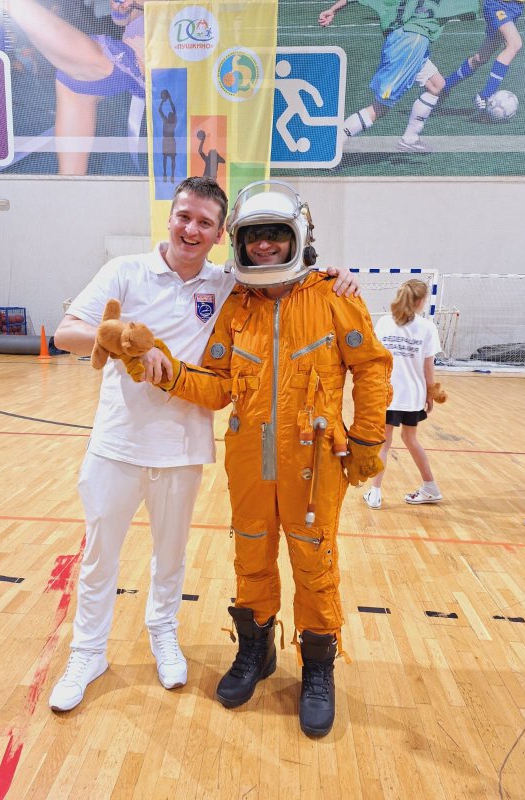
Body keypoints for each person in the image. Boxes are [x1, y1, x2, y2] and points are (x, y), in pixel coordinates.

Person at [49, 176, 361, 712]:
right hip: (116, 444)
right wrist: (117, 339)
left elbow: (293, 278)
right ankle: (87, 653)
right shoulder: (125, 271)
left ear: (220, 235)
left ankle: (166, 637)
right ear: (170, 218)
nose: (191, 229)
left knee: (172, 560)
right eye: (184, 217)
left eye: (205, 223)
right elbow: (65, 333)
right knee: (100, 558)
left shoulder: (230, 285)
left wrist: (338, 274)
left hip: (184, 448)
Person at [119, 180, 392, 737]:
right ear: (239, 242)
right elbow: (219, 385)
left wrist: (367, 440)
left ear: (298, 236)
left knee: (314, 559)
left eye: (275, 234)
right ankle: (255, 650)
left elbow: (371, 368)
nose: (264, 245)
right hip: (249, 455)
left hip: (313, 458)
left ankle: (317, 667)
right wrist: (166, 370)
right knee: (250, 553)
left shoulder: (335, 296)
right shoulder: (236, 305)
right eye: (254, 236)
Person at [5, 0, 146, 174]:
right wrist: (122, 8)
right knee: (72, 81)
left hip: (153, 56)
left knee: (88, 60)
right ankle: (70, 185)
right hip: (131, 51)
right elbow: (123, 19)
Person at [319, 0, 477, 153]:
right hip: (411, 43)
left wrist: (333, 10)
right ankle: (333, 143)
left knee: (436, 84)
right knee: (381, 106)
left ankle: (410, 138)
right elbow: (470, 12)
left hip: (399, 37)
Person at [363, 279, 442, 510]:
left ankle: (375, 493)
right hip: (413, 396)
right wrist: (430, 393)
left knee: (384, 444)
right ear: (420, 301)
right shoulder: (427, 327)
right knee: (410, 439)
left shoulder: (384, 323)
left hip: (387, 393)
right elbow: (428, 367)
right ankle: (430, 487)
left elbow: (375, 358)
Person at [442, 0, 523, 111]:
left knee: (481, 57)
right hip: (498, 5)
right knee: (514, 44)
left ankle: (445, 86)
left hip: (515, 8)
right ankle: (485, 95)